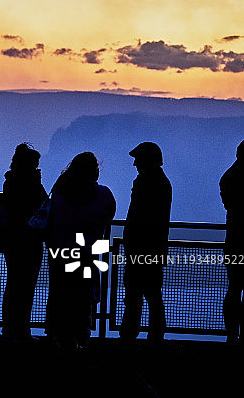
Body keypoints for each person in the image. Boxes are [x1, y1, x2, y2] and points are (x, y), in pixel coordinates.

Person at [45, 152, 115, 351]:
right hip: (87, 255)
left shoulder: (59, 192)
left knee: (58, 294)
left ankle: (55, 336)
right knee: (83, 298)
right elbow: (109, 215)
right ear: (94, 172)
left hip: (59, 253)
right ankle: (79, 339)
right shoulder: (104, 195)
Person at [120, 142, 171, 344]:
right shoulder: (160, 181)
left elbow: (137, 217)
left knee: (134, 294)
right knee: (152, 294)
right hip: (153, 248)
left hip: (140, 248)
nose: (134, 163)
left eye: (137, 159)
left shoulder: (146, 181)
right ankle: (155, 335)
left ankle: (129, 334)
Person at [1, 143, 47, 343]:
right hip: (30, 240)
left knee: (13, 286)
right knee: (26, 288)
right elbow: (43, 205)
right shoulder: (32, 184)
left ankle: (10, 330)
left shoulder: (9, 182)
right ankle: (23, 331)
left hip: (12, 240)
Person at [220, 138, 244, 345]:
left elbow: (229, 204)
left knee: (234, 288)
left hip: (234, 241)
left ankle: (231, 334)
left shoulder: (229, 178)